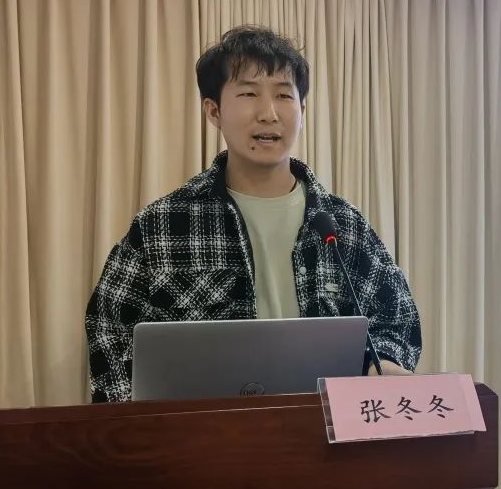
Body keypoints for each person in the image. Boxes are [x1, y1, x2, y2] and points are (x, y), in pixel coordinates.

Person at [85, 26, 422, 404]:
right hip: (204, 434)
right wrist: (141, 419)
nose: (268, 114)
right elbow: (108, 329)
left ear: (302, 111)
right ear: (214, 110)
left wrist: (381, 365)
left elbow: (396, 319)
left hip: (322, 431)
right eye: (248, 94)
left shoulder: (342, 224)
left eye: (284, 95)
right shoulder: (161, 225)